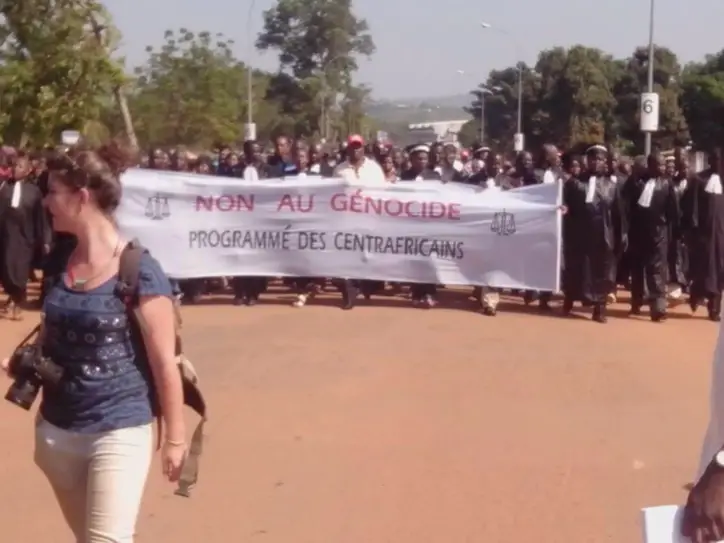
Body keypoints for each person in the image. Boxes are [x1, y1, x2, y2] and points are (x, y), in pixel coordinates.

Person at [1, 142, 186, 542]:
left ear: (81, 197)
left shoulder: (140, 271)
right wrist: (27, 360)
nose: (46, 201)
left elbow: (163, 362)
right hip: (57, 432)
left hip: (119, 428)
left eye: (52, 192)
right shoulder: (57, 262)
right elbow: (53, 332)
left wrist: (175, 437)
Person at [561, 144, 627, 323]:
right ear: (586, 161)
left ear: (605, 162)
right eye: (592, 159)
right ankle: (569, 299)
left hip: (603, 236)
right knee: (576, 269)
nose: (595, 162)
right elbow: (566, 205)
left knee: (602, 272)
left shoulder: (612, 186)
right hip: (579, 236)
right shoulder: (575, 183)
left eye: (599, 159)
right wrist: (564, 209)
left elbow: (619, 214)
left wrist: (622, 234)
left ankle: (600, 308)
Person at [623, 153, 679, 321]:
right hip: (637, 233)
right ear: (650, 165)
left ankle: (658, 307)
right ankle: (636, 302)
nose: (662, 168)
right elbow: (626, 206)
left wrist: (672, 233)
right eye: (658, 165)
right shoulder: (635, 182)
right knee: (637, 270)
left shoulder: (667, 184)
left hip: (658, 234)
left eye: (663, 165)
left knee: (656, 271)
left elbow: (673, 212)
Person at [0, 151, 50, 320]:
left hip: (24, 238)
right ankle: (13, 297)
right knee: (6, 269)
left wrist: (44, 239)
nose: (16, 169)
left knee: (20, 270)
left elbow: (39, 218)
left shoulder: (34, 192)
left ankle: (17, 301)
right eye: (14, 166)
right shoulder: (3, 187)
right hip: (5, 236)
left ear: (28, 171)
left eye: (20, 166)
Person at [681, 149, 724, 321]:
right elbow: (690, 207)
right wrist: (692, 230)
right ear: (709, 161)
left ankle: (714, 309)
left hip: (721, 237)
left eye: (721, 160)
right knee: (700, 269)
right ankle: (696, 294)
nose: (718, 164)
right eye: (715, 160)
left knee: (719, 271)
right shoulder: (698, 180)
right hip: (702, 236)